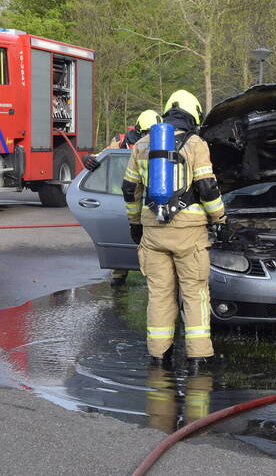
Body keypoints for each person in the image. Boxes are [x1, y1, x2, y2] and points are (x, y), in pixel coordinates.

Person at [122, 90, 227, 369]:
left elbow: (129, 189)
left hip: (153, 231)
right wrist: (220, 218)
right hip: (189, 233)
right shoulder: (196, 144)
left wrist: (135, 223)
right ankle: (198, 357)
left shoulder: (143, 145)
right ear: (194, 114)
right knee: (194, 293)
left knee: (159, 294)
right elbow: (207, 188)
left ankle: (158, 355)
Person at [83, 109, 162, 287]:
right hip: (120, 195)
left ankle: (152, 274)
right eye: (146, 133)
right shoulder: (121, 143)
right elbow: (102, 157)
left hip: (146, 197)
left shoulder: (162, 143)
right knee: (123, 233)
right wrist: (88, 159)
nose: (149, 137)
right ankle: (119, 271)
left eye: (152, 133)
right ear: (139, 130)